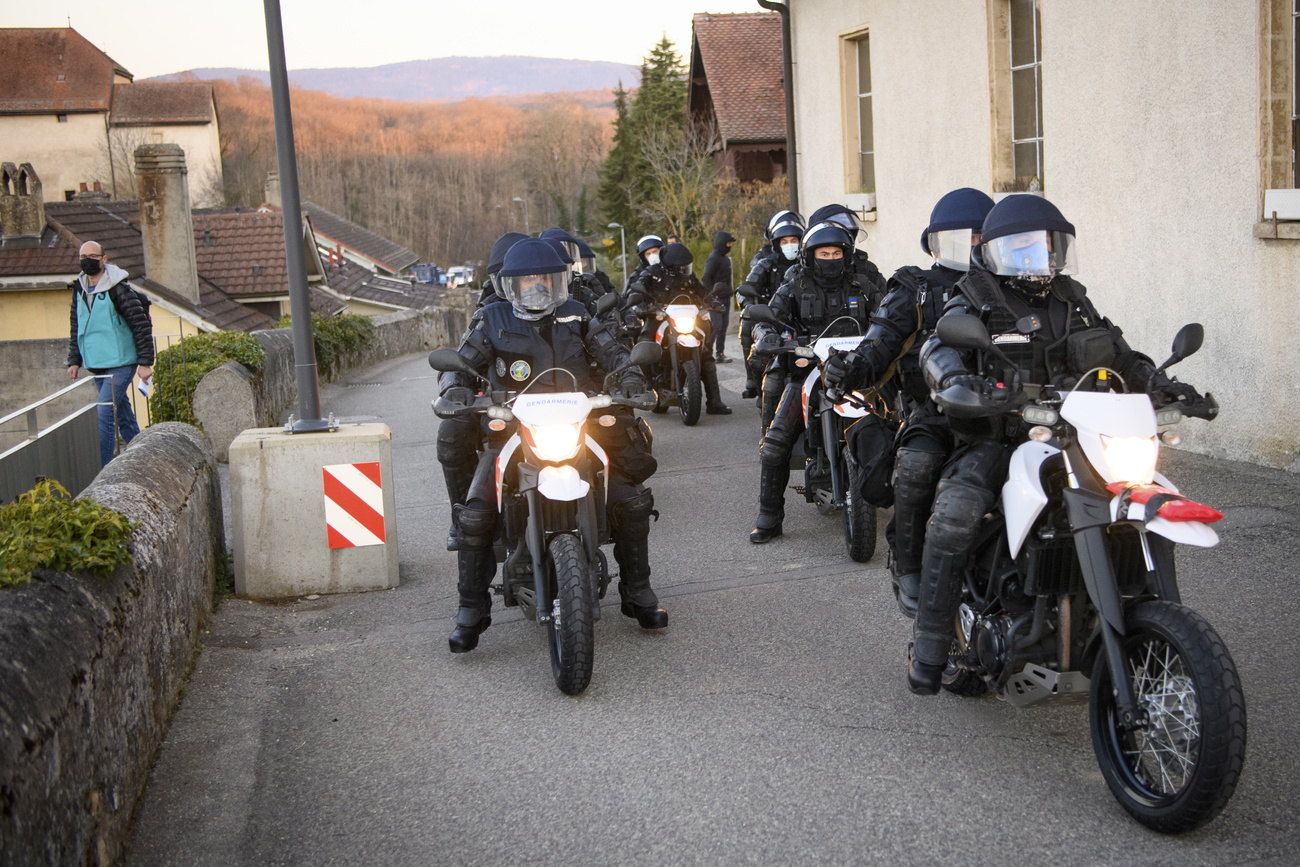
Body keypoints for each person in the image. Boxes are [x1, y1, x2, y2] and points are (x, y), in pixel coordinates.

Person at [905, 194, 1215, 694]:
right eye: (1026, 245)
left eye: (1050, 244)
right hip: (1003, 437)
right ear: (999, 250)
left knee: (1137, 493)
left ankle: (1140, 616)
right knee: (958, 510)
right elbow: (938, 348)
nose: (1040, 255)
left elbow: (1119, 352)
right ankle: (931, 642)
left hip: (1080, 435)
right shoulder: (974, 299)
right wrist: (957, 380)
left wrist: (1158, 381)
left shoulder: (1073, 300)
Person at [434, 238, 666, 652]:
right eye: (527, 281)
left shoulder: (578, 314)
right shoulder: (491, 318)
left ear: (559, 280)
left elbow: (612, 351)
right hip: (512, 431)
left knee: (631, 500)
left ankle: (638, 592)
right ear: (510, 285)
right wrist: (455, 388)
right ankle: (471, 608)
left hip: (579, 425)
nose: (537, 287)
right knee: (474, 514)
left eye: (545, 279)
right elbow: (463, 363)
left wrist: (629, 376)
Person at [822, 188, 996, 617]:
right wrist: (851, 368)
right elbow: (879, 342)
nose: (971, 250)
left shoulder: (1015, 289)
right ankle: (909, 560)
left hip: (1011, 413)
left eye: (980, 240)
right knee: (917, 463)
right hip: (936, 412)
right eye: (960, 240)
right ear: (935, 243)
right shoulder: (916, 288)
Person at [748, 222, 877, 542]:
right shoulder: (794, 283)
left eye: (836, 252)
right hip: (806, 372)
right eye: (824, 253)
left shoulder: (862, 285)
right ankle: (769, 517)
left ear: (846, 254)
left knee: (901, 428)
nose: (831, 258)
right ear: (810, 255)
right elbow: (766, 321)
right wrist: (769, 336)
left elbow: (887, 316)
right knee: (776, 444)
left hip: (857, 372)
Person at [66, 241, 154, 467]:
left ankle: (103, 469)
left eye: (93, 256)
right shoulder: (79, 288)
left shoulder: (118, 288)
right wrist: (74, 360)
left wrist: (145, 363)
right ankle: (141, 456)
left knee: (104, 411)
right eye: (83, 256)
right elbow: (77, 326)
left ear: (104, 259)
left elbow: (139, 324)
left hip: (121, 361)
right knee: (122, 411)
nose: (87, 260)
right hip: (96, 363)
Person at [625, 242, 732, 415]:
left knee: (706, 355)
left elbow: (701, 291)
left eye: (686, 266)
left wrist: (713, 302)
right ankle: (648, 390)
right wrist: (645, 307)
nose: (685, 269)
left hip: (686, 319)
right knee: (644, 347)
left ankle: (715, 402)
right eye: (681, 267)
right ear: (671, 267)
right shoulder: (651, 273)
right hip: (659, 319)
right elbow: (635, 293)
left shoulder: (688, 277)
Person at [737, 213, 804, 399]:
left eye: (794, 240)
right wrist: (748, 305)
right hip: (771, 316)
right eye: (785, 241)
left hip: (802, 315)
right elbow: (744, 289)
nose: (790, 245)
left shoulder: (808, 262)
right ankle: (754, 380)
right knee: (750, 325)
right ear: (776, 243)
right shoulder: (766, 262)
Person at [701, 231, 736, 364]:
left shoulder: (725, 259)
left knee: (723, 327)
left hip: (725, 297)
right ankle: (706, 352)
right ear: (722, 243)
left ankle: (719, 353)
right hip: (716, 299)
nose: (730, 246)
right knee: (716, 326)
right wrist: (712, 294)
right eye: (728, 243)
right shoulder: (713, 258)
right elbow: (706, 277)